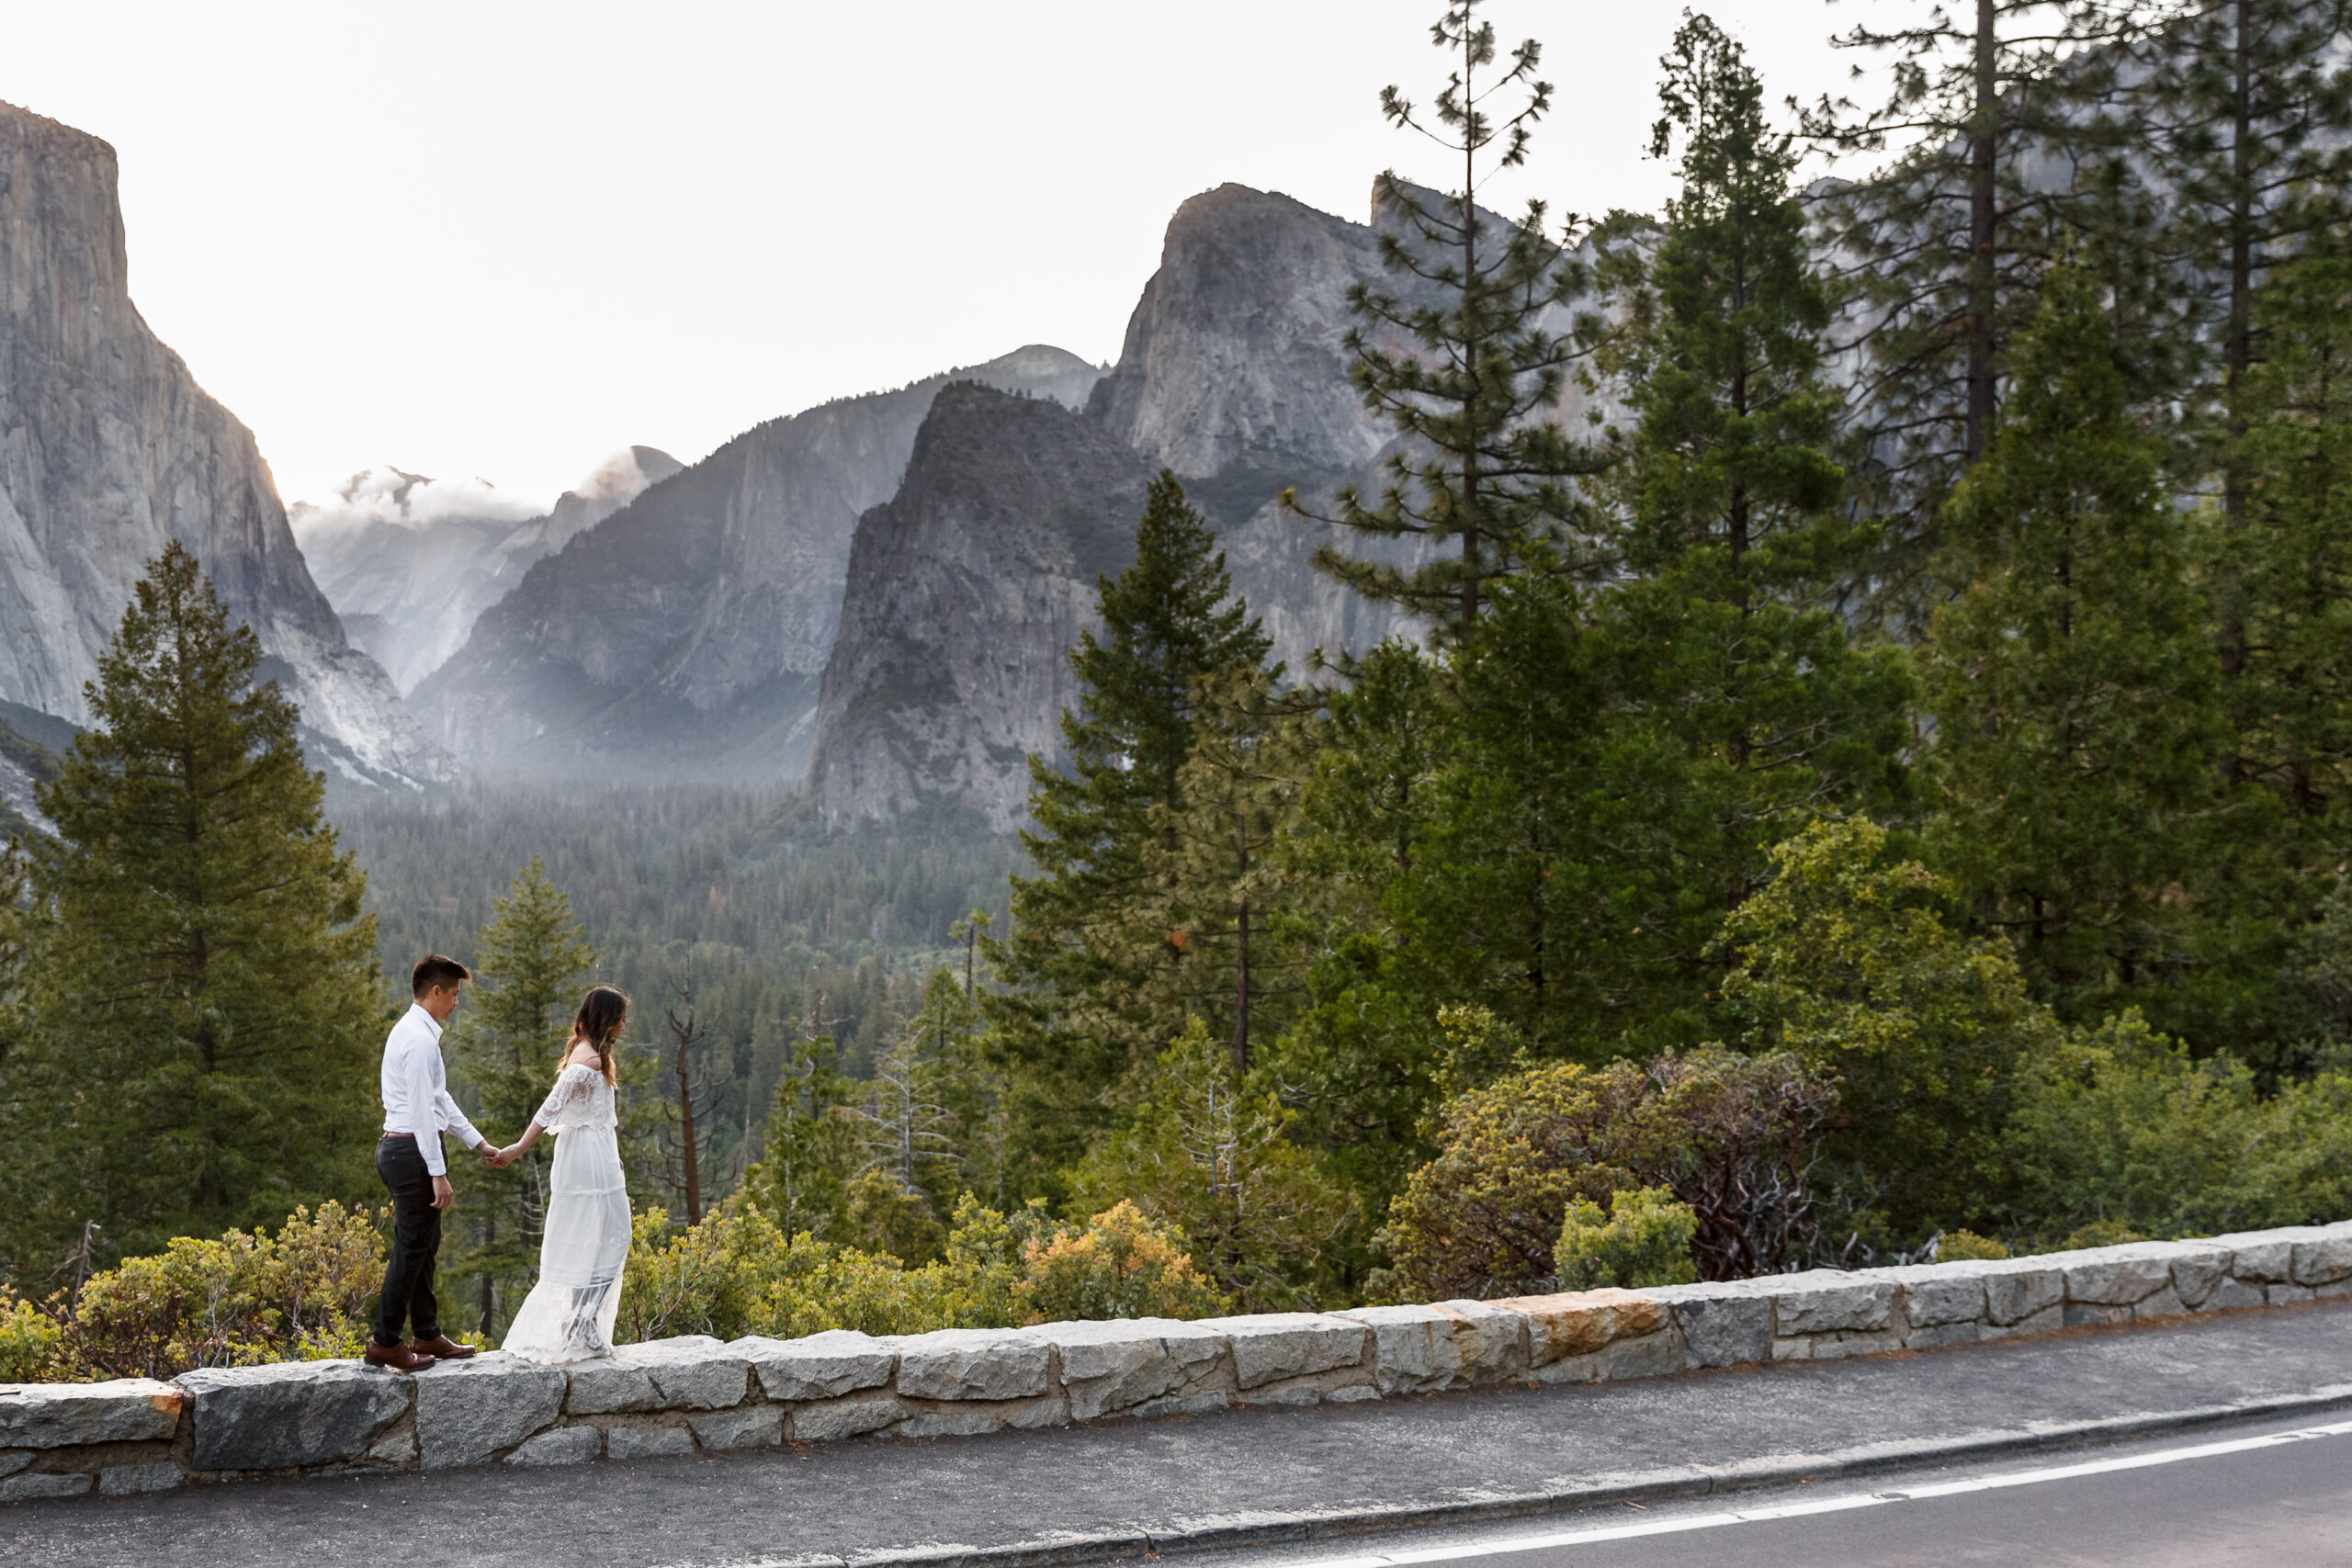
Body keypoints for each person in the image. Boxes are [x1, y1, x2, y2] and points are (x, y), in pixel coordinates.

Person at [370, 953, 508, 1372]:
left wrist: (478, 1143)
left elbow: (439, 1100)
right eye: (454, 994)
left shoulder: (419, 1034)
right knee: (410, 1250)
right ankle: (385, 1342)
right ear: (435, 992)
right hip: (410, 1151)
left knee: (424, 1248)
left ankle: (426, 1332)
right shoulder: (417, 1039)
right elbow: (418, 1112)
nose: (456, 1003)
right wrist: (438, 1173)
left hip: (409, 1149)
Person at [494, 985, 634, 1364]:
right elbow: (549, 1108)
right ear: (607, 1019)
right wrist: (518, 1148)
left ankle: (581, 1323)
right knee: (607, 1236)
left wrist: (614, 1154)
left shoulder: (589, 1054)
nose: (624, 1024)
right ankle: (579, 1323)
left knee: (604, 1237)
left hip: (598, 1153)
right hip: (585, 1158)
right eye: (621, 1017)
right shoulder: (586, 1064)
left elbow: (603, 1115)